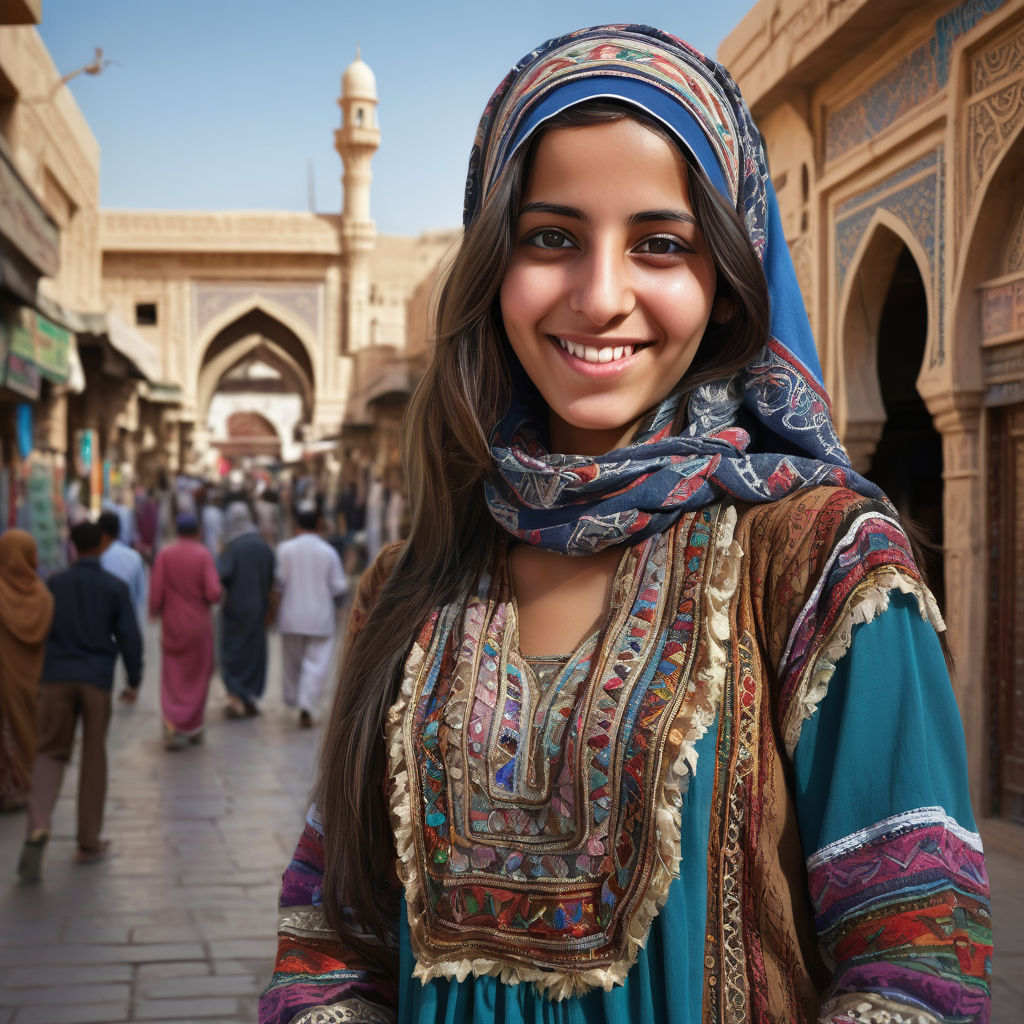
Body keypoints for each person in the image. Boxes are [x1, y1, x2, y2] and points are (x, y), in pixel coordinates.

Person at [259, 25, 991, 1024]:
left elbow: (919, 956)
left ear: (725, 284)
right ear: (493, 265)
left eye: (660, 244)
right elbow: (327, 935)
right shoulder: (411, 584)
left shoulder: (821, 560)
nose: (600, 297)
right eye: (551, 237)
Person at [16, 521, 141, 882]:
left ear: (71, 546)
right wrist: (134, 679)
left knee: (49, 752)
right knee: (93, 755)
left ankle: (36, 826)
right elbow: (130, 637)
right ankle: (88, 842)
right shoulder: (114, 587)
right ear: (101, 545)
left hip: (55, 679)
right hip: (96, 680)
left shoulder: (55, 584)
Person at [149, 512, 222, 750]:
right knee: (198, 673)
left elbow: (156, 592)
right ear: (197, 531)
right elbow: (213, 593)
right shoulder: (203, 554)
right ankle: (193, 725)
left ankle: (172, 721)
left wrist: (153, 611)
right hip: (199, 625)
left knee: (173, 674)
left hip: (173, 623)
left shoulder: (165, 554)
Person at [273, 507, 347, 728]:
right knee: (316, 665)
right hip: (320, 617)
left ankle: (295, 698)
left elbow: (278, 582)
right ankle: (307, 705)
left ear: (296, 527)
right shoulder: (328, 551)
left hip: (291, 616)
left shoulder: (284, 549)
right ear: (318, 526)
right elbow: (338, 586)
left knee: (292, 664)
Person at [0, 531, 54, 813]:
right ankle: (26, 784)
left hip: (4, 680)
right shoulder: (43, 596)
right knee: (28, 729)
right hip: (35, 680)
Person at [218, 502, 276, 718]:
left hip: (235, 609)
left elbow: (223, 575)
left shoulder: (232, 547)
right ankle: (250, 695)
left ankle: (236, 696)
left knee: (233, 652)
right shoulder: (262, 545)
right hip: (258, 608)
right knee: (254, 652)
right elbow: (271, 577)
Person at [98, 510, 147, 627]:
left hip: (101, 625)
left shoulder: (96, 557)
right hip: (128, 621)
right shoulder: (134, 557)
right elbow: (141, 594)